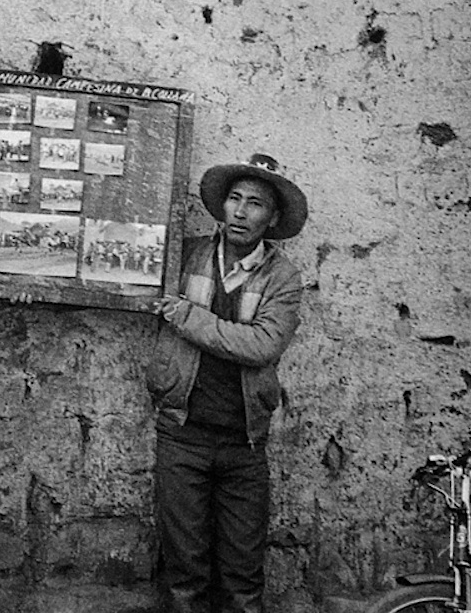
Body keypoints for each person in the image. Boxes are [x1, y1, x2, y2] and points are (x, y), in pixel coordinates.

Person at [147, 153, 309, 613]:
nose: (240, 211)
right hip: (182, 434)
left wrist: (186, 316)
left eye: (255, 203)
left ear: (272, 217)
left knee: (242, 578)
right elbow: (135, 284)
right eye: (234, 199)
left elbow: (261, 346)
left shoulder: (283, 276)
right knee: (184, 573)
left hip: (244, 444)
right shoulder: (186, 255)